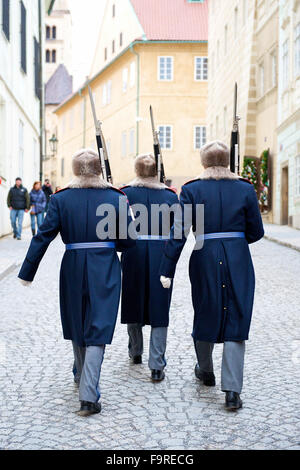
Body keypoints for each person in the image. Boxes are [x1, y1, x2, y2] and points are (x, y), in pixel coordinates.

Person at [18, 149, 135, 417]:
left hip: (72, 264)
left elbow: (43, 236)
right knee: (98, 324)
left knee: (78, 321)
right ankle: (88, 396)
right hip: (104, 264)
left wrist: (28, 271)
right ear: (99, 170)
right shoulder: (116, 197)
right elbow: (129, 241)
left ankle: (83, 376)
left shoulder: (61, 198)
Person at [160, 141, 264, 411]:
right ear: (228, 161)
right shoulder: (244, 188)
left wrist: (167, 268)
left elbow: (179, 231)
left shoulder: (192, 189)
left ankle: (205, 370)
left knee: (205, 309)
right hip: (238, 255)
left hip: (204, 253)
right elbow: (257, 231)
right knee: (238, 314)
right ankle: (232, 391)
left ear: (203, 162)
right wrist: (236, 239)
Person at [121, 154, 179, 382]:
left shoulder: (125, 194)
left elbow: (116, 227)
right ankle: (156, 364)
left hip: (133, 251)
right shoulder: (169, 196)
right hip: (161, 253)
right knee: (159, 305)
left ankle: (135, 351)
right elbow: (178, 230)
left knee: (133, 300)